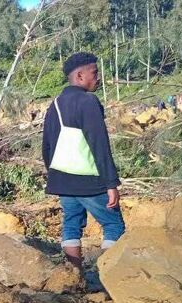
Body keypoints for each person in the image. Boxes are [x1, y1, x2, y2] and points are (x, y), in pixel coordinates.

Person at [42, 52, 125, 269]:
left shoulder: (56, 104)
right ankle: (106, 277)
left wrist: (55, 176)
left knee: (71, 225)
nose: (98, 78)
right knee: (113, 225)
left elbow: (47, 145)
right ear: (80, 76)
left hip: (62, 179)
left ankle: (74, 277)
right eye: (94, 73)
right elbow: (99, 144)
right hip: (90, 181)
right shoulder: (89, 101)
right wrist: (111, 183)